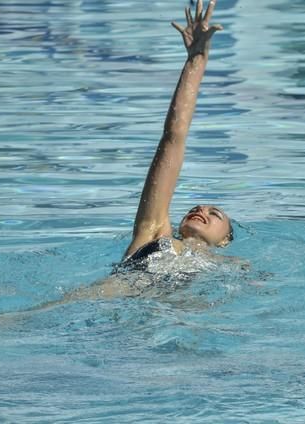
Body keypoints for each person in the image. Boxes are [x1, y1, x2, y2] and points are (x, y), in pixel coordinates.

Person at [121, 0, 234, 270]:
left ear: (225, 241)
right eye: (195, 208)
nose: (200, 211)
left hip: (174, 312)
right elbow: (173, 136)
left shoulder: (231, 269)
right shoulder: (153, 230)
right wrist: (196, 60)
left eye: (214, 214)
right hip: (114, 298)